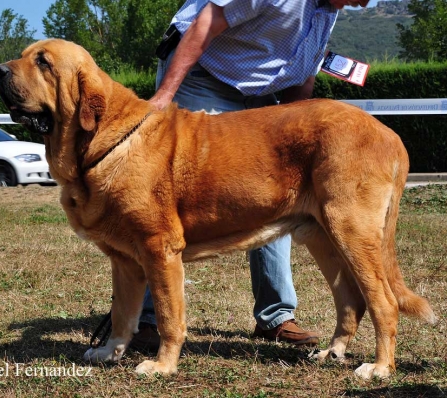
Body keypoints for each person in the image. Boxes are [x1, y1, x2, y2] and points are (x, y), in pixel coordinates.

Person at [129, 0, 370, 351]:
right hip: (204, 75)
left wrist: (293, 132)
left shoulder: (329, 10)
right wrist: (164, 97)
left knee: (277, 192)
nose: (362, 4)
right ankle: (147, 319)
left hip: (259, 91)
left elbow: (302, 75)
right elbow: (206, 21)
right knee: (171, 195)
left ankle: (275, 318)